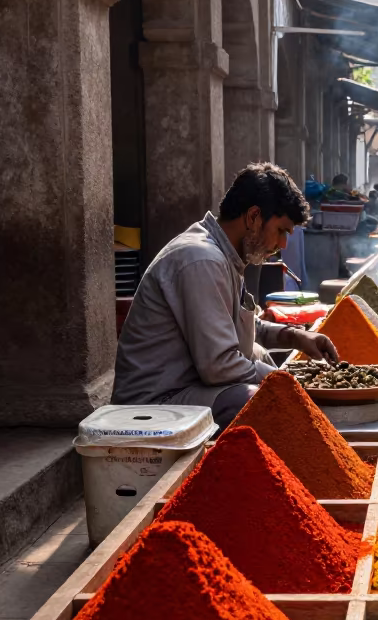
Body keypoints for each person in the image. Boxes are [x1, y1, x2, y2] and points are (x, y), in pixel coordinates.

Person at [113, 163, 338, 430]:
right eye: (281, 231)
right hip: (153, 404)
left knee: (260, 357)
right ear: (254, 217)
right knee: (262, 400)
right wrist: (288, 380)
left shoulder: (226, 256)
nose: (283, 245)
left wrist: (295, 336)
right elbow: (219, 366)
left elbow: (243, 325)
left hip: (185, 390)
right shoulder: (201, 259)